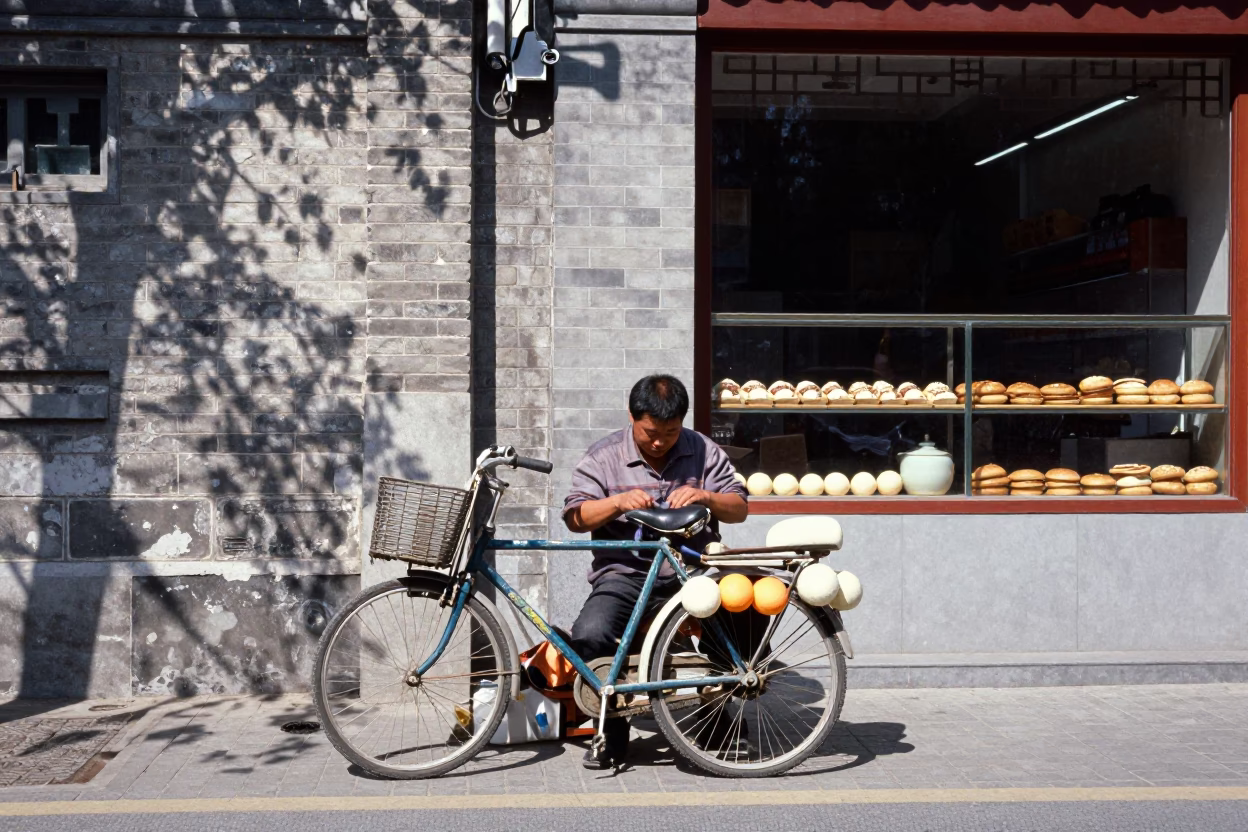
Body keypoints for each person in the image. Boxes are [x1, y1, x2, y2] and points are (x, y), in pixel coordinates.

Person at [562, 374, 749, 769]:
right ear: (631, 417)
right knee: (590, 634)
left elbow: (739, 508)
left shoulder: (703, 450)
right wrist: (616, 502)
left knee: (739, 617)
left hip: (693, 573)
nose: (660, 442)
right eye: (651, 433)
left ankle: (716, 716)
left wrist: (706, 496)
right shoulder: (604, 455)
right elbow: (575, 517)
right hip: (624, 574)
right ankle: (612, 727)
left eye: (670, 432)